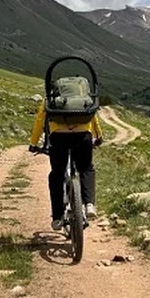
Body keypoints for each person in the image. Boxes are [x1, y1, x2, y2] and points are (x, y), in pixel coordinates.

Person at [28, 86, 103, 231]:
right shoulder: (84, 99)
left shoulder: (49, 100)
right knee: (87, 168)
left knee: (56, 174)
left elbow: (39, 120)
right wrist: (99, 136)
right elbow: (93, 117)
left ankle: (57, 217)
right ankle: (89, 204)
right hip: (83, 136)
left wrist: (33, 143)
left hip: (59, 137)